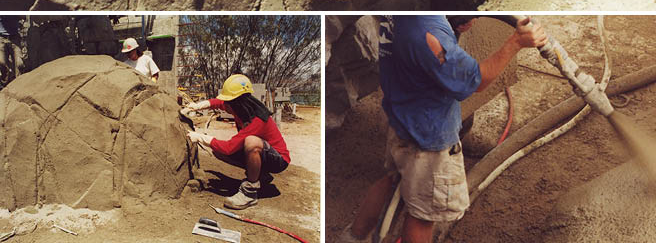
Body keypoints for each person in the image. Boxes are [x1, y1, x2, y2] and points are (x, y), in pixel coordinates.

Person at [337, 15, 547, 243]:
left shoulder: (401, 11)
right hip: (428, 138)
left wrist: (452, 23)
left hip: (401, 120)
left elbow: (424, 57)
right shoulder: (429, 32)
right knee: (424, 215)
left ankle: (352, 238)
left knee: (392, 181)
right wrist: (515, 42)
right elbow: (474, 81)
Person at [183, 74, 290, 210]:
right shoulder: (240, 107)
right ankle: (260, 175)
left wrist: (200, 137)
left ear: (238, 100)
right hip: (264, 156)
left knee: (251, 143)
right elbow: (219, 103)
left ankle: (249, 193)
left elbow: (229, 147)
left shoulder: (257, 119)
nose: (227, 104)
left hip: (278, 160)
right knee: (218, 151)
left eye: (229, 100)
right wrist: (198, 106)